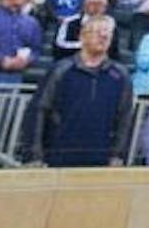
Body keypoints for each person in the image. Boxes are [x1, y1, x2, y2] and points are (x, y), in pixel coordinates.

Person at [27, 17, 131, 167]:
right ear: (82, 36)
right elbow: (39, 110)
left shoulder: (121, 75)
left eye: (107, 34)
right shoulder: (61, 70)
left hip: (100, 158)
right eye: (98, 32)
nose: (103, 37)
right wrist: (34, 154)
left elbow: (124, 118)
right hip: (58, 155)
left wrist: (117, 154)